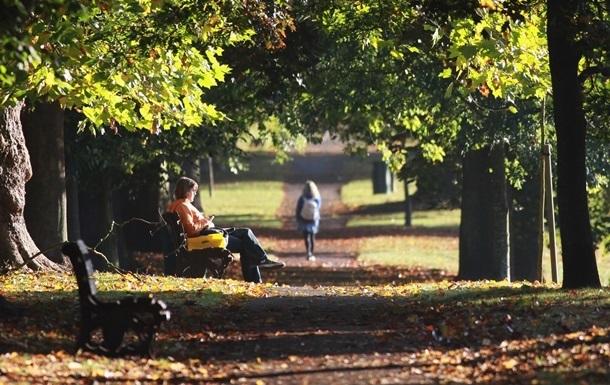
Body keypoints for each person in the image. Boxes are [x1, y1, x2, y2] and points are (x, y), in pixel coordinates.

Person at [168, 176, 284, 283]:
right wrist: (206, 221)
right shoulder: (183, 206)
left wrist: (205, 221)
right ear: (187, 191)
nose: (195, 193)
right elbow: (192, 229)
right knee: (246, 243)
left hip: (207, 234)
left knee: (246, 232)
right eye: (193, 191)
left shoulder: (177, 204)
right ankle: (259, 268)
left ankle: (261, 262)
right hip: (204, 238)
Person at [295, 180, 321, 261]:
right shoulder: (317, 197)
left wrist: (298, 218)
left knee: (306, 237)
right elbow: (318, 207)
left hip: (303, 219)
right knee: (312, 237)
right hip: (313, 219)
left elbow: (298, 209)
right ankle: (312, 253)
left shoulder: (302, 198)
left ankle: (308, 252)